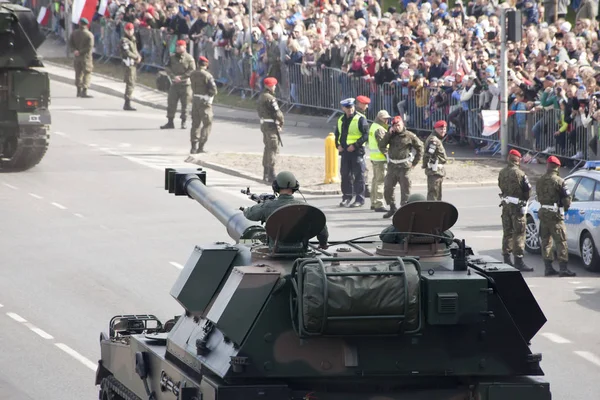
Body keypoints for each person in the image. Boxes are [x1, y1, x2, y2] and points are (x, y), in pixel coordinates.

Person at [243, 171, 329, 248]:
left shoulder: (267, 206)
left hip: (275, 251)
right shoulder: (307, 208)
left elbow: (250, 214)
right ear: (296, 186)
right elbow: (322, 229)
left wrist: (245, 209)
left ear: (275, 186)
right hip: (301, 251)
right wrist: (323, 244)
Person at [536, 156, 576, 277]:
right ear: (557, 167)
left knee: (546, 241)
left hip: (543, 213)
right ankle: (563, 268)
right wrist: (565, 208)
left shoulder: (540, 180)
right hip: (555, 215)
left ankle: (548, 267)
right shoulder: (560, 181)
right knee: (561, 241)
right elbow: (567, 199)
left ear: (547, 165)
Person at [379, 115, 423, 219]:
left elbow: (420, 148)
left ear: (402, 124)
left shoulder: (409, 136)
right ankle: (392, 207)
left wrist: (415, 162)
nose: (397, 127)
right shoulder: (390, 135)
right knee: (388, 188)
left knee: (405, 190)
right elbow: (381, 145)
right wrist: (388, 136)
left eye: (398, 125)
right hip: (392, 166)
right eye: (394, 126)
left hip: (404, 167)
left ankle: (404, 211)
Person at [498, 149, 534, 272]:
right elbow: (527, 191)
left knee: (507, 233)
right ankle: (518, 261)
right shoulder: (520, 174)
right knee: (519, 233)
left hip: (506, 206)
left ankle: (506, 260)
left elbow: (500, 186)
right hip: (517, 208)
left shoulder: (502, 172)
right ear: (517, 160)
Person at [379, 193, 454, 245]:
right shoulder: (434, 225)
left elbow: (384, 237)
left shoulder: (400, 226)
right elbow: (449, 238)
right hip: (432, 255)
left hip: (405, 256)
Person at [334, 98, 369, 208]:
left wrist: (355, 145)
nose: (350, 110)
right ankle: (346, 197)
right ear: (343, 108)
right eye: (348, 108)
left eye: (352, 107)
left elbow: (365, 135)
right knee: (345, 175)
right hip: (345, 152)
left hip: (356, 152)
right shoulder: (340, 119)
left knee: (359, 176)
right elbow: (337, 134)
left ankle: (359, 199)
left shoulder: (360, 119)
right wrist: (337, 145)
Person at [160, 40, 196, 130]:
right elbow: (167, 67)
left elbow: (192, 70)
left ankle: (183, 122)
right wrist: (173, 76)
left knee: (186, 105)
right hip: (174, 84)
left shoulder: (189, 58)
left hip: (186, 85)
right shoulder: (172, 57)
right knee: (171, 103)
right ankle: (170, 122)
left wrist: (182, 77)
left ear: (184, 47)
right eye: (177, 46)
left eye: (180, 46)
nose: (178, 48)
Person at [257, 77, 284, 182]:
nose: (275, 87)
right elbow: (278, 113)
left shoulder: (261, 97)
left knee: (267, 148)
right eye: (274, 85)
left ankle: (265, 173)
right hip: (271, 126)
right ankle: (271, 174)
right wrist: (281, 122)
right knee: (273, 148)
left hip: (264, 125)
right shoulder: (270, 98)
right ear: (270, 86)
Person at [189, 56, 217, 154]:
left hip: (195, 99)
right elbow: (214, 90)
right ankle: (201, 146)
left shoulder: (192, 74)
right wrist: (209, 96)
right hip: (204, 101)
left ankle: (193, 146)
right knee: (207, 123)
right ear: (206, 64)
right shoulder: (207, 75)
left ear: (198, 63)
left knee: (195, 124)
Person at [368, 110, 391, 212]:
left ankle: (373, 202)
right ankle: (379, 203)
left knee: (375, 180)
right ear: (380, 118)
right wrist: (388, 156)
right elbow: (382, 146)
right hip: (380, 158)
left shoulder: (373, 126)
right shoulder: (380, 129)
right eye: (385, 118)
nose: (387, 120)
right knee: (380, 181)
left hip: (374, 157)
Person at [68, 17, 94, 98]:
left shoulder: (74, 33)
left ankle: (78, 90)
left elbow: (70, 43)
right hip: (86, 57)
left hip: (77, 57)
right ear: (86, 25)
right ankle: (84, 90)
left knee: (78, 73)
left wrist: (75, 51)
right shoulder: (89, 35)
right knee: (87, 73)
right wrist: (81, 51)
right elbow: (90, 47)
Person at [422, 120, 448, 200]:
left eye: (444, 129)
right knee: (433, 196)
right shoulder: (434, 140)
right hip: (434, 171)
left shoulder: (437, 138)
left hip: (437, 171)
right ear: (435, 129)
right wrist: (425, 165)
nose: (443, 131)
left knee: (437, 195)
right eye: (441, 129)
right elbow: (428, 155)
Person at [120, 22, 141, 111]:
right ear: (125, 30)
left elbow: (135, 50)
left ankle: (128, 101)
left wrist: (138, 56)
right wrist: (136, 57)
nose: (130, 32)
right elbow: (127, 52)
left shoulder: (133, 39)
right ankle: (127, 102)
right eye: (128, 30)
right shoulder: (124, 40)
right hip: (129, 63)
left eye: (131, 30)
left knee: (132, 82)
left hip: (133, 63)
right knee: (130, 82)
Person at [356, 95, 372, 198]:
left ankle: (361, 188)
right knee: (362, 168)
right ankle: (364, 188)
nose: (366, 106)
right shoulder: (359, 116)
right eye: (365, 104)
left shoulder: (360, 115)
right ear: (360, 104)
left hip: (358, 145)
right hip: (358, 146)